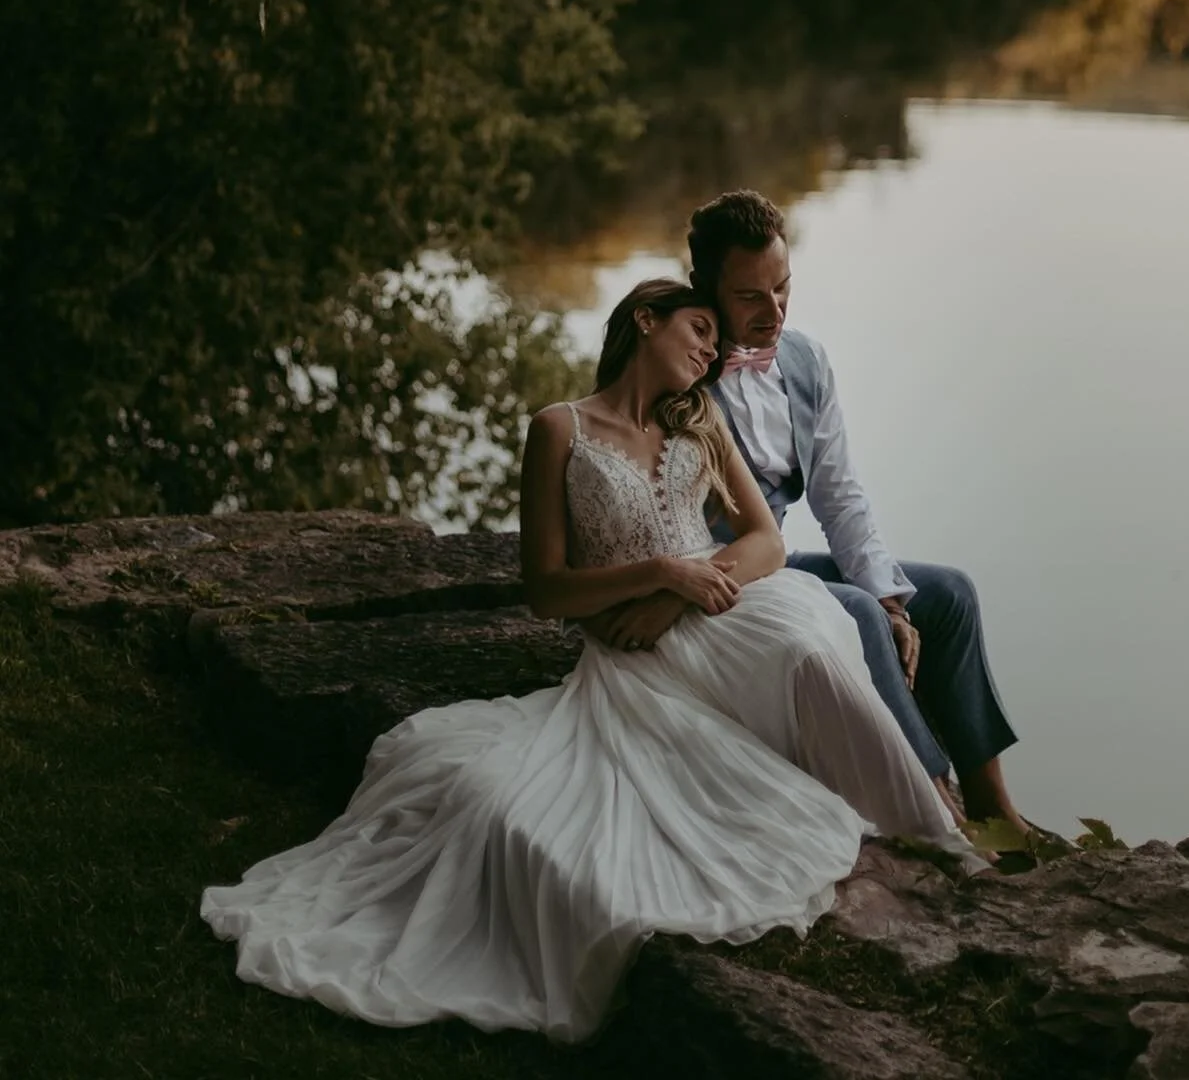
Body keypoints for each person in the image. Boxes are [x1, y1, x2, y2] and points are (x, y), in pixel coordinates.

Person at [201, 279, 987, 1045]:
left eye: (717, 341)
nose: (712, 352)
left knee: (810, 650)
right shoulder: (557, 430)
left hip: (720, 606)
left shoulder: (700, 418)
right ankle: (915, 823)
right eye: (700, 331)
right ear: (647, 320)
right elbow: (545, 590)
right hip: (634, 652)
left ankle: (935, 836)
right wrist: (658, 575)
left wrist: (683, 590)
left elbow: (767, 541)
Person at [588, 194, 1025, 834]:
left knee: (949, 594)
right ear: (704, 288)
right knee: (858, 618)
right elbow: (640, 509)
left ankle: (995, 807)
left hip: (773, 562)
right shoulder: (676, 374)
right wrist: (671, 595)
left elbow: (839, 494)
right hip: (716, 582)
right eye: (749, 297)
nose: (775, 313)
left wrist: (893, 598)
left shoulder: (805, 360)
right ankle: (934, 803)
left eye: (783, 287)